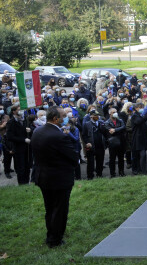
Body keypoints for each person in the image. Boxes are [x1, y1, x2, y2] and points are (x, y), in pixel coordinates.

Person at [32, 106, 79, 248]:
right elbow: (73, 157)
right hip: (59, 179)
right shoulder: (59, 136)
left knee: (50, 208)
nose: (66, 117)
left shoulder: (37, 131)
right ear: (55, 118)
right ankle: (55, 239)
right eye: (64, 115)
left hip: (43, 177)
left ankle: (50, 235)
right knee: (59, 209)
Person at [82, 110, 106, 179]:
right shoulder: (86, 124)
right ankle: (90, 176)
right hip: (91, 145)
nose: (97, 117)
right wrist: (87, 142)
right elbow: (84, 135)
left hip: (100, 145)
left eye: (98, 115)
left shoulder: (101, 123)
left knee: (100, 161)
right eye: (95, 115)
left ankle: (99, 174)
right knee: (90, 162)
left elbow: (105, 133)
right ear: (91, 116)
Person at [105, 108, 126, 178]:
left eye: (116, 112)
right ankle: (112, 173)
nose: (115, 113)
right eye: (113, 112)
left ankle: (121, 172)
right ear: (110, 113)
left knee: (121, 158)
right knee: (112, 159)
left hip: (121, 142)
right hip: (112, 143)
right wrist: (117, 130)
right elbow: (110, 131)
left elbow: (123, 127)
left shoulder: (120, 120)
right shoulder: (107, 122)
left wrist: (115, 129)